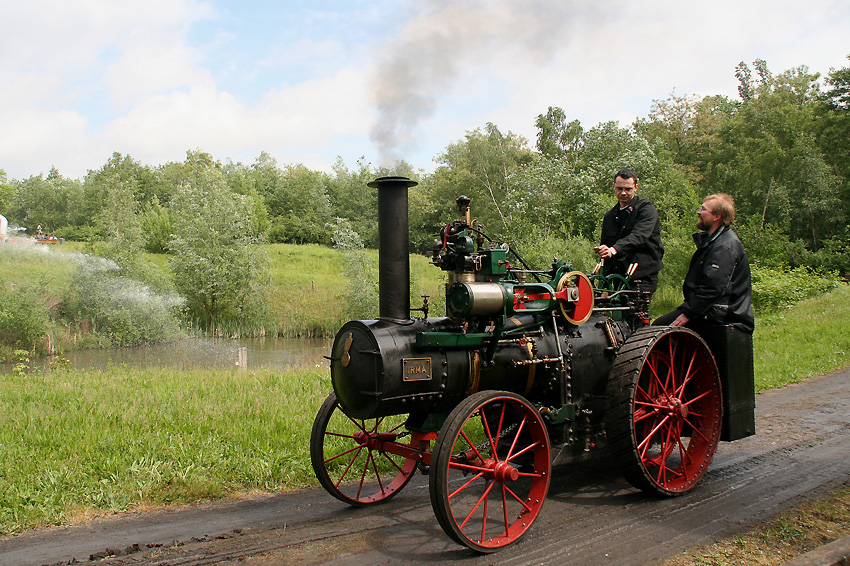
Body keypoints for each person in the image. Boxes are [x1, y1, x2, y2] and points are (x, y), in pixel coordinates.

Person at [653, 193, 754, 333]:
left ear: (716, 216)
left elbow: (713, 288)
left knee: (659, 329)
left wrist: (688, 313)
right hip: (713, 308)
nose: (698, 212)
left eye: (703, 209)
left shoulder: (724, 246)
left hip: (723, 313)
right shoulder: (716, 241)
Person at [595, 168, 664, 299]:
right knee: (615, 315)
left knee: (636, 315)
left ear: (636, 187)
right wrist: (603, 286)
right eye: (620, 188)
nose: (623, 193)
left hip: (642, 276)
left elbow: (639, 236)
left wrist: (614, 249)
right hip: (619, 276)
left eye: (628, 189)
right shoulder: (610, 216)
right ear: (613, 186)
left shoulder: (646, 209)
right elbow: (606, 254)